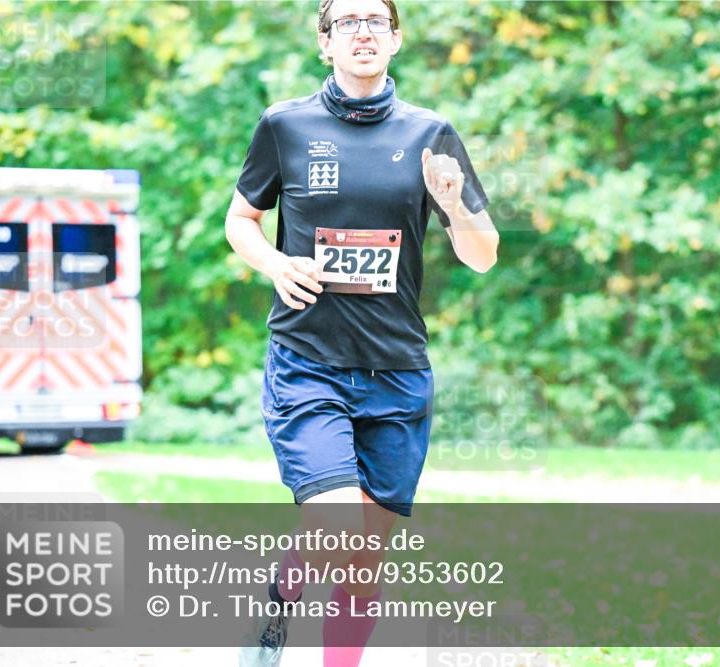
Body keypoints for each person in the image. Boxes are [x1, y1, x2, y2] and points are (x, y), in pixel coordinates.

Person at [225, 1, 498, 665]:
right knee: (338, 520)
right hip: (309, 361)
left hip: (397, 371)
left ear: (397, 39)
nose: (363, 32)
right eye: (346, 22)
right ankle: (281, 608)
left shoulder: (433, 134)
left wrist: (455, 201)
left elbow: (483, 253)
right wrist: (276, 262)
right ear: (325, 43)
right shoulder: (285, 125)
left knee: (364, 554)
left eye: (377, 20)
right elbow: (240, 220)